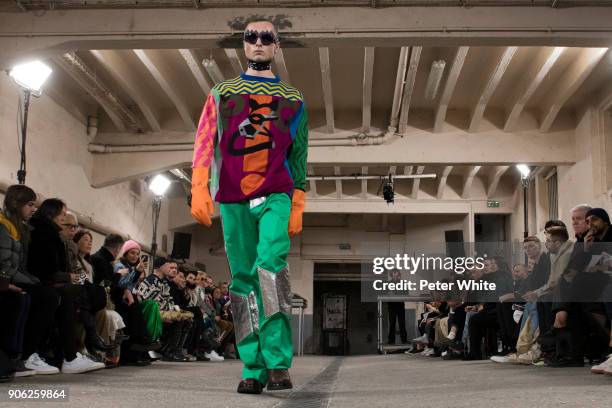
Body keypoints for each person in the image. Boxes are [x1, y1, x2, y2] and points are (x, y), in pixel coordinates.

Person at [190, 18, 308, 394]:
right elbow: (205, 139)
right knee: (242, 280)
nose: (258, 42)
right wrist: (198, 186)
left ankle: (277, 363)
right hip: (232, 196)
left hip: (276, 191)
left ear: (276, 46)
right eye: (251, 37)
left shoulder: (293, 98)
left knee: (271, 268)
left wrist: (299, 198)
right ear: (244, 45)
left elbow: (301, 152)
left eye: (266, 38)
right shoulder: (221, 91)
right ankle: (252, 366)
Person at [28, 199, 104, 373]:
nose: (64, 220)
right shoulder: (45, 233)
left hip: (44, 281)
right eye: (62, 215)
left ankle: (71, 354)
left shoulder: (53, 236)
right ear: (51, 214)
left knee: (76, 293)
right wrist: (70, 277)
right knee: (64, 294)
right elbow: (44, 269)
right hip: (36, 282)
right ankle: (40, 354)